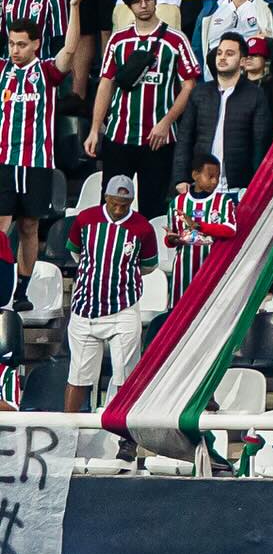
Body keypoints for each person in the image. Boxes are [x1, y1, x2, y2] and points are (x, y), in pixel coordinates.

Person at [85, 0, 200, 217]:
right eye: (138, 1)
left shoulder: (176, 40)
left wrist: (167, 122)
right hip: (119, 134)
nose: (144, 5)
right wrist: (95, 129)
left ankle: (150, 254)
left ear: (156, 1)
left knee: (153, 208)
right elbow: (106, 83)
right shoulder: (118, 41)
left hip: (158, 138)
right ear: (130, 6)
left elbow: (189, 86)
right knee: (111, 203)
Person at [0, 0, 84, 309]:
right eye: (11, 44)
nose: (15, 50)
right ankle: (3, 288)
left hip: (36, 161)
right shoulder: (3, 71)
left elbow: (71, 50)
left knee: (29, 226)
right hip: (5, 161)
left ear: (35, 44)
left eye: (21, 44)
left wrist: (74, 7)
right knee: (1, 225)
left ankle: (21, 292)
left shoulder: (46, 72)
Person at [64, 174, 158, 420]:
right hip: (84, 309)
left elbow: (148, 266)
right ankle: (66, 432)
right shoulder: (85, 219)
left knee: (125, 377)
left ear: (132, 202)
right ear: (105, 197)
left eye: (124, 205)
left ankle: (125, 438)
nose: (118, 209)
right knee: (78, 377)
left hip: (123, 309)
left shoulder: (143, 228)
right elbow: (76, 254)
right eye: (114, 203)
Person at [170, 30, 272, 191]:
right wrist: (180, 179)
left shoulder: (256, 95)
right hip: (199, 185)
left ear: (243, 61)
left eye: (230, 53)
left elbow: (261, 144)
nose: (222, 57)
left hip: (239, 187)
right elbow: (185, 138)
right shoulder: (200, 93)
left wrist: (256, 186)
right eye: (219, 53)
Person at [165, 151, 239, 306]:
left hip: (213, 270)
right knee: (180, 315)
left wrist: (198, 226)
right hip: (184, 270)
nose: (214, 181)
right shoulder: (178, 203)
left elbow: (230, 229)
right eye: (210, 176)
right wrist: (170, 240)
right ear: (195, 175)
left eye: (217, 177)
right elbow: (172, 237)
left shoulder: (223, 201)